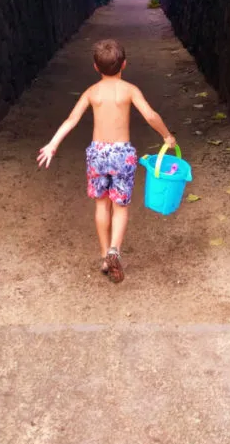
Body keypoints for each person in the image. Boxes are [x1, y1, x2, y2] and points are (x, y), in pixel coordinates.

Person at [37, 38, 176, 283]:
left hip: (97, 154)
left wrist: (53, 144)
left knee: (102, 205)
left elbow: (72, 119)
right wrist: (166, 136)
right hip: (122, 154)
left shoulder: (92, 93)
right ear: (124, 64)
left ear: (95, 67)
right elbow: (150, 115)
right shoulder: (129, 90)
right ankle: (115, 250)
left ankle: (104, 257)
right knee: (120, 207)